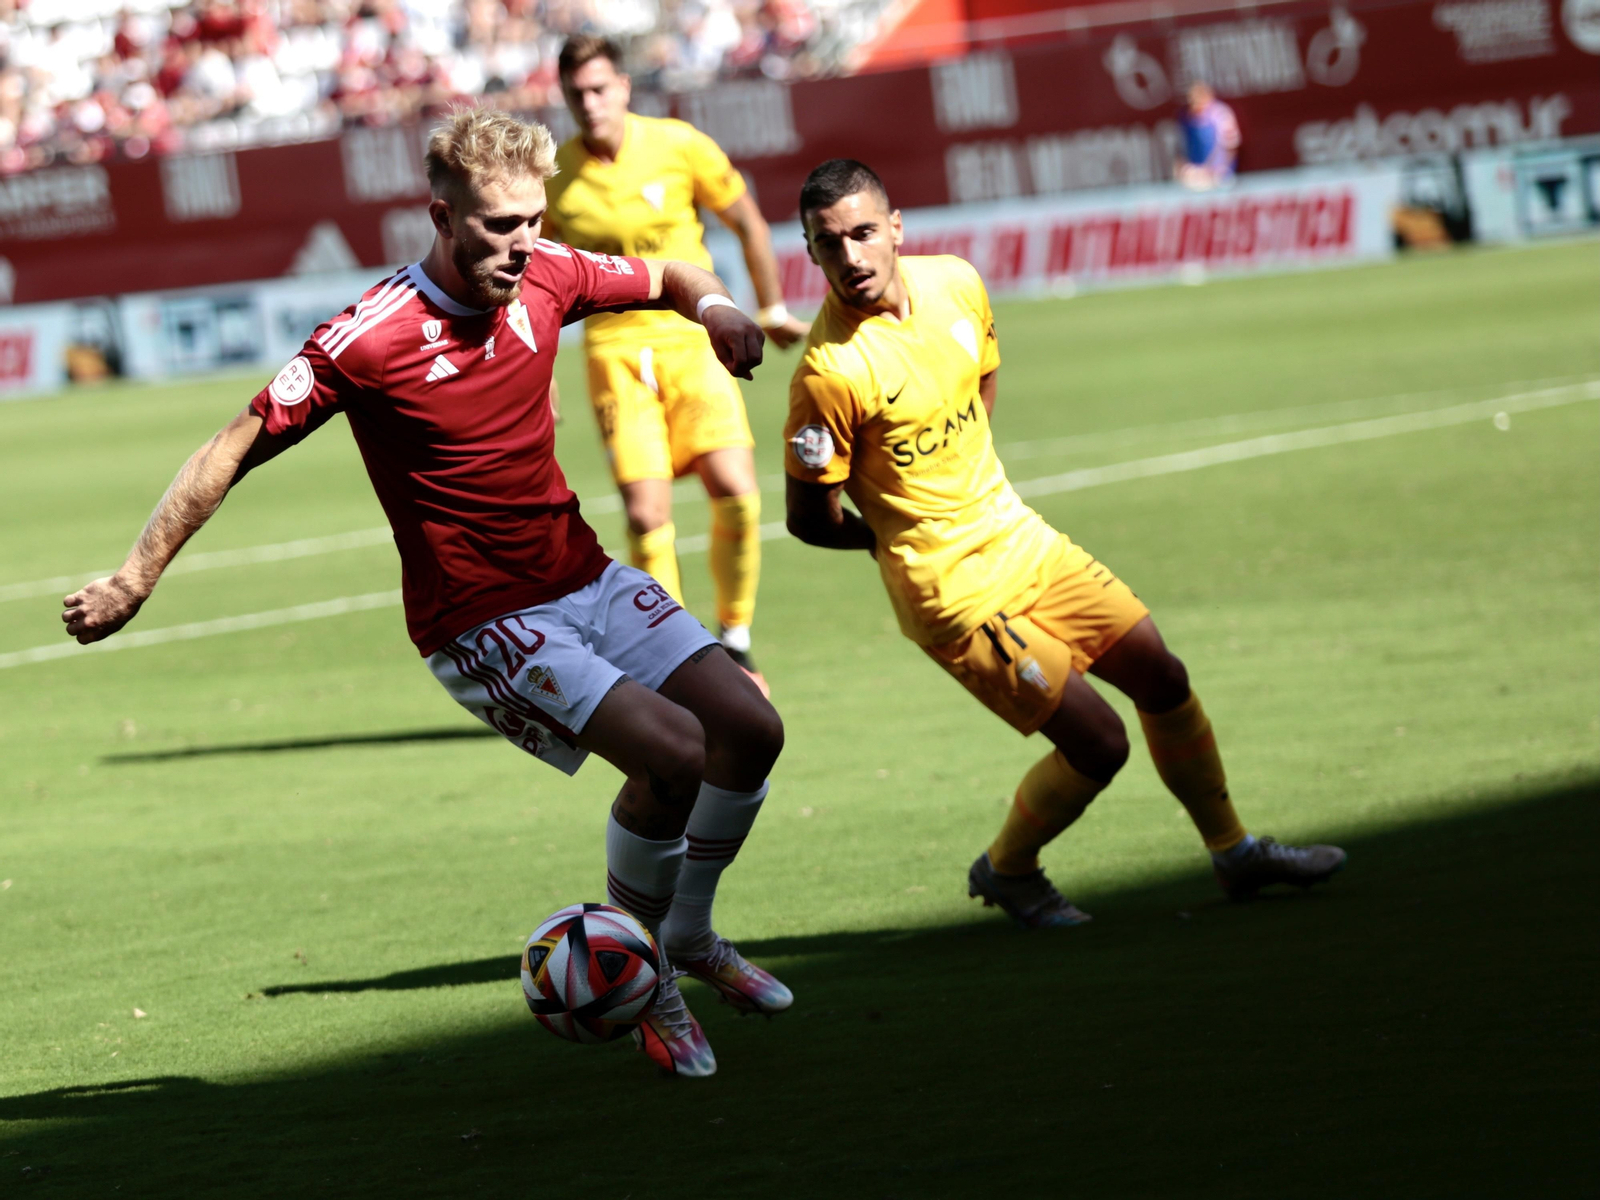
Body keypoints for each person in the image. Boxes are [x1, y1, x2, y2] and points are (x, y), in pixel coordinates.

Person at [60, 109, 792, 1078]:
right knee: (675, 754)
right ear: (442, 216)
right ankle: (643, 975)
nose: (522, 242)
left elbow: (670, 273)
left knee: (752, 728)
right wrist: (134, 575)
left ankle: (687, 935)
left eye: (533, 220)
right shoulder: (368, 339)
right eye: (499, 225)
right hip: (482, 619)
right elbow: (230, 447)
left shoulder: (551, 274)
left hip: (581, 574)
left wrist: (718, 308)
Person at [782, 159, 1345, 928]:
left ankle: (1234, 853)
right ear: (811, 252)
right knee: (1100, 745)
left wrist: (968, 482)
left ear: (896, 228)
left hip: (1022, 539)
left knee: (1163, 677)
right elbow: (809, 517)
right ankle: (1009, 869)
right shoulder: (829, 373)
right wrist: (897, 539)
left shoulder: (956, 283)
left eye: (863, 232)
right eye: (828, 242)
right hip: (955, 593)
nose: (850, 255)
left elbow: (981, 379)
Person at [543, 35, 810, 697]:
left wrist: (771, 307)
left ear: (623, 87)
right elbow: (536, 284)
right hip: (614, 355)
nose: (590, 103)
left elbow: (746, 221)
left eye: (599, 89)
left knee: (737, 492)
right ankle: (680, 653)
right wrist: (538, 375)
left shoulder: (679, 145)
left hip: (694, 341)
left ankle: (735, 634)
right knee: (645, 516)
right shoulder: (555, 177)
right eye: (576, 94)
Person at [1175, 81, 1240, 190]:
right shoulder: (1188, 117)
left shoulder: (1221, 114)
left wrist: (1218, 170)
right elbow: (1183, 149)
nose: (1194, 104)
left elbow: (1231, 146)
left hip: (1220, 175)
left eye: (1197, 100)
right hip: (1197, 176)